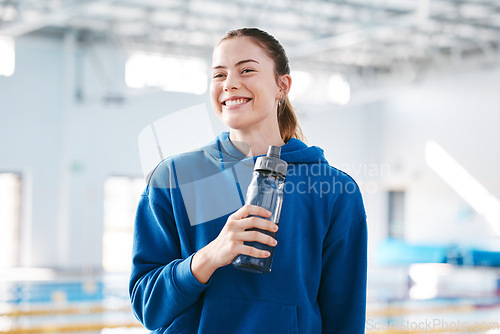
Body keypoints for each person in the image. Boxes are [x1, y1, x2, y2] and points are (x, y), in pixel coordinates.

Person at [129, 28, 367, 333]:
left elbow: (344, 318)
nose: (230, 83)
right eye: (219, 75)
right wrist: (209, 256)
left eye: (247, 70)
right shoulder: (174, 178)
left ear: (282, 86)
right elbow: (147, 305)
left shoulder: (334, 191)